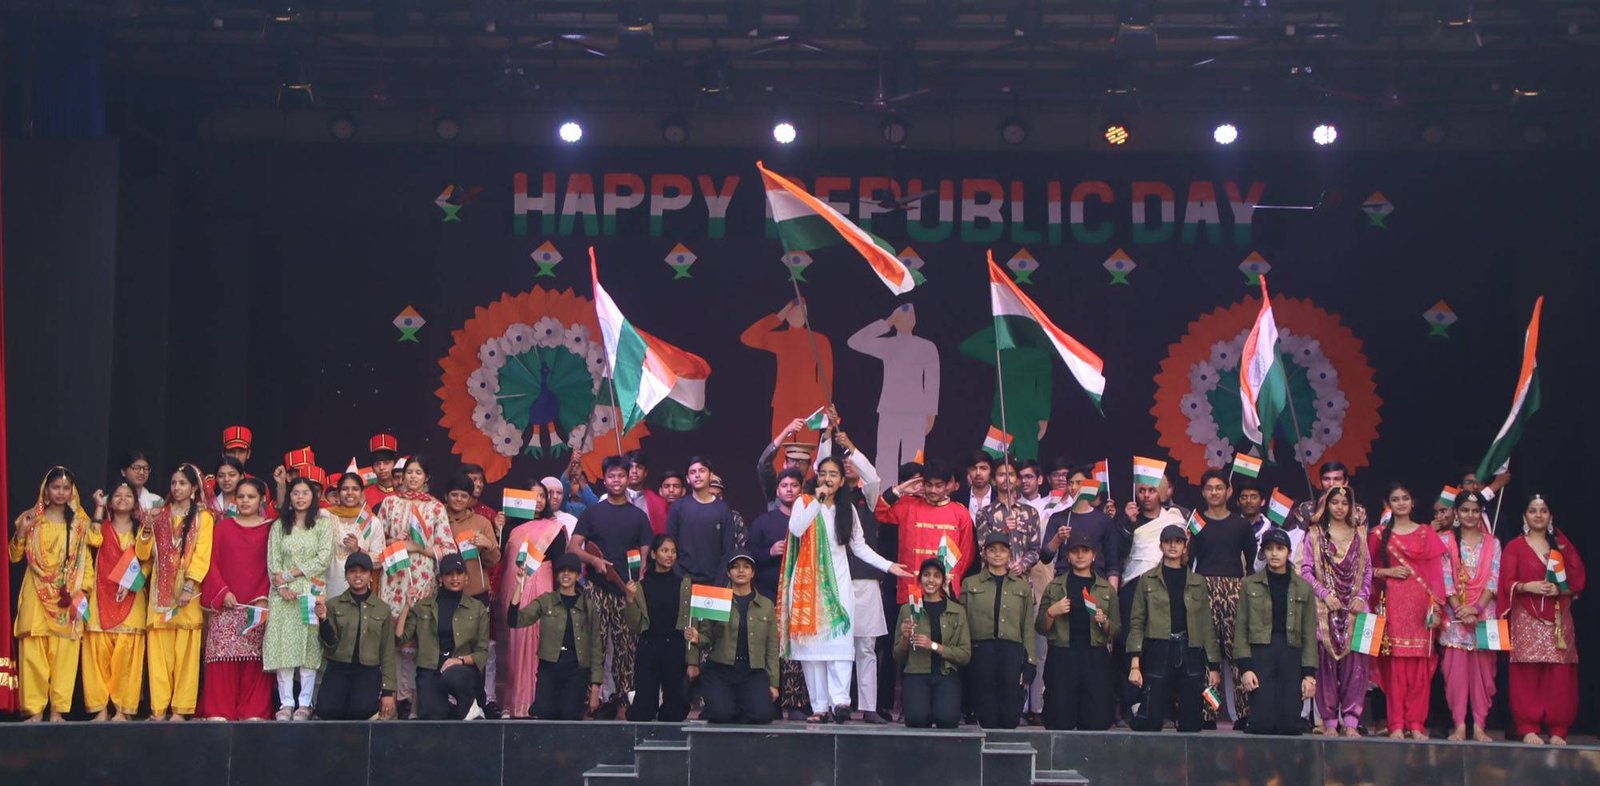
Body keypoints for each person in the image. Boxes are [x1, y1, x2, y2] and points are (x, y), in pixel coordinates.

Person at [784, 456, 911, 723]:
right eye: (823, 473)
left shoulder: (848, 510)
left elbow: (859, 547)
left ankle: (840, 702)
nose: (827, 479)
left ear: (842, 481)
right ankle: (820, 707)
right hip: (808, 584)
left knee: (839, 642)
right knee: (812, 649)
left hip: (839, 583)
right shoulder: (804, 502)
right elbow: (796, 528)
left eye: (833, 474)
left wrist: (888, 566)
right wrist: (817, 500)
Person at [569, 455, 655, 719]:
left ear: (628, 479)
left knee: (626, 648)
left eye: (621, 476)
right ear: (604, 480)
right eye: (611, 476)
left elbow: (645, 554)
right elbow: (573, 547)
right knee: (593, 643)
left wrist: (639, 578)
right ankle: (590, 699)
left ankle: (623, 703)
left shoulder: (638, 516)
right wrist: (594, 560)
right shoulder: (593, 512)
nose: (616, 480)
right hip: (596, 588)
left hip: (625, 591)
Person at [1497, 495, 1585, 745]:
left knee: (1559, 675)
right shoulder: (1515, 547)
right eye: (1533, 510)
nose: (1538, 515)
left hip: (1558, 618)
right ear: (1524, 516)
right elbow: (1505, 582)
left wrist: (1561, 589)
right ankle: (1528, 728)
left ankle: (1558, 729)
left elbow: (1578, 578)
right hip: (1526, 616)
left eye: (1543, 511)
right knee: (1526, 673)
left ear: (1550, 516)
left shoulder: (1561, 546)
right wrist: (1527, 586)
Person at [9, 467, 93, 722]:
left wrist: (83, 590)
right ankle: (34, 713)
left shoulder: (79, 524)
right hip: (36, 594)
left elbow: (86, 561)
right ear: (46, 490)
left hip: (68, 596)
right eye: (56, 487)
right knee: (33, 653)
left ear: (72, 491)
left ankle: (57, 712)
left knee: (65, 655)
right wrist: (21, 532)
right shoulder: (30, 519)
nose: (61, 492)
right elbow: (14, 556)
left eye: (66, 488)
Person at [375, 455, 456, 716]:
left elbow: (447, 548)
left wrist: (417, 547)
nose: (412, 477)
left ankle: (416, 702)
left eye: (418, 473)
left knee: (419, 642)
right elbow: (376, 541)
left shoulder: (436, 508)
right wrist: (394, 541)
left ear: (426, 477)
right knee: (393, 641)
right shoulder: (389, 503)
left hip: (421, 578)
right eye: (409, 472)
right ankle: (393, 698)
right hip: (394, 577)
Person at [1368, 482, 1448, 740]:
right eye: (1395, 499)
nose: (1401, 503)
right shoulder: (1379, 534)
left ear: (1413, 502)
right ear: (1388, 504)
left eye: (1405, 498)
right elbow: (1365, 572)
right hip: (1392, 607)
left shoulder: (1426, 533)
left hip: (1421, 608)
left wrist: (1437, 608)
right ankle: (1396, 725)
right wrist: (1388, 571)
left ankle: (1416, 724)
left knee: (1420, 670)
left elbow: (1436, 575)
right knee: (1396, 670)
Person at [1126, 525, 1221, 733]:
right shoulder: (1147, 579)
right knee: (1150, 722)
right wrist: (1135, 663)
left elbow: (1206, 624)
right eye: (1168, 542)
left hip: (1190, 647)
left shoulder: (1197, 581)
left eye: (1177, 542)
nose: (1172, 546)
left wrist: (1214, 666)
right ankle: (1140, 712)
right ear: (1161, 546)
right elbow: (1137, 621)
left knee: (1191, 724)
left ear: (1184, 546)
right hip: (1159, 646)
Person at [197, 477, 274, 721]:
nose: (245, 501)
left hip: (258, 604)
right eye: (241, 497)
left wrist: (263, 597)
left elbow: (274, 566)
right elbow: (211, 563)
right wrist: (222, 592)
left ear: (262, 500)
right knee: (223, 656)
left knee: (254, 659)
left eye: (251, 497)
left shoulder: (271, 530)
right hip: (227, 604)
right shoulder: (223, 528)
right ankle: (220, 709)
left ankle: (253, 709)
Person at [143, 463, 216, 721]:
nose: (176, 488)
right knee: (159, 656)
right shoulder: (158, 515)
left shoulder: (203, 518)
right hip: (160, 594)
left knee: (186, 657)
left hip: (188, 595)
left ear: (194, 487)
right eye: (173, 483)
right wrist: (145, 528)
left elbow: (202, 555)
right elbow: (143, 553)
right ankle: (158, 709)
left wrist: (189, 586)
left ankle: (180, 710)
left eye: (182, 483)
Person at [1300, 486, 1372, 737]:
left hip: (1355, 609)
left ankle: (1351, 722)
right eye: (1335, 502)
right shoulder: (1314, 535)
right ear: (1326, 505)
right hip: (1324, 609)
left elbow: (1368, 571)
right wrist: (1324, 594)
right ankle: (1330, 722)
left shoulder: (1360, 534)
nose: (1340, 507)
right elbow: (1306, 571)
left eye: (1344, 503)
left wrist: (1361, 597)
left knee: (1357, 668)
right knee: (1325, 667)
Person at [1189, 469, 1257, 723]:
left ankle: (1244, 713)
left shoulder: (1241, 524)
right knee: (1207, 654)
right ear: (1203, 492)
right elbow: (1188, 559)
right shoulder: (1196, 521)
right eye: (1209, 488)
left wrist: (1247, 589)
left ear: (1228, 491)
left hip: (1235, 589)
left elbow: (1252, 561)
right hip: (1203, 588)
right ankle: (1209, 713)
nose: (1214, 492)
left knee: (1238, 652)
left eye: (1219, 487)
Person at [1235, 528, 1318, 735]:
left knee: (1289, 725)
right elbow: (1241, 628)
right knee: (1262, 724)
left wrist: (1309, 675)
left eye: (1280, 548)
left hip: (1291, 651)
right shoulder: (1250, 584)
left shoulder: (1304, 587)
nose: (1274, 553)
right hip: (1261, 651)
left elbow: (1309, 633)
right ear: (1263, 552)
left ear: (1288, 552)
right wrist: (1245, 668)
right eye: (1269, 548)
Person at [263, 476, 335, 720]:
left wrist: (291, 574)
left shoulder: (322, 525)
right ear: (289, 497)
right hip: (282, 594)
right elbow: (273, 561)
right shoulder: (278, 526)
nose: (301, 497)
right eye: (296, 493)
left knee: (308, 648)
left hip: (311, 590)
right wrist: (281, 586)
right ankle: (286, 703)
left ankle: (305, 703)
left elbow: (323, 558)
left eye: (306, 492)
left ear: (313, 497)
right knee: (284, 647)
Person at [496, 482, 569, 718]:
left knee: (538, 641)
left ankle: (537, 702)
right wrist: (498, 530)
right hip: (514, 588)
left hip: (542, 588)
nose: (539, 501)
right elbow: (499, 558)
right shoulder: (511, 527)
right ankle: (513, 702)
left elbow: (560, 566)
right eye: (533, 496)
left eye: (542, 496)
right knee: (515, 643)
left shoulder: (554, 529)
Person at [847, 305, 941, 487]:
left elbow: (932, 382)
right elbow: (855, 341)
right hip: (889, 410)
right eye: (901, 318)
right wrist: (888, 321)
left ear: (915, 321)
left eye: (910, 317)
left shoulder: (926, 346)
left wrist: (931, 415)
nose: (906, 321)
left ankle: (912, 496)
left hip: (916, 412)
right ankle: (884, 498)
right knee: (885, 459)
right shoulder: (888, 345)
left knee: (914, 462)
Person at [1036, 530, 1119, 730]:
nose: (1080, 556)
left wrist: (1104, 622)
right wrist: (1052, 612)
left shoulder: (1106, 589)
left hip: (1094, 657)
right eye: (1075, 551)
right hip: (1062, 656)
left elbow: (1116, 630)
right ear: (1067, 555)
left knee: (1096, 720)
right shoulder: (1055, 586)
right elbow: (1040, 627)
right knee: (1059, 719)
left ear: (1094, 555)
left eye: (1085, 551)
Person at [687, 549, 781, 725]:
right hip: (721, 670)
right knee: (720, 715)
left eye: (746, 567)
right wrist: (697, 637)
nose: (741, 571)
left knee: (762, 715)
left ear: (753, 573)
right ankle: (724, 705)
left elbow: (771, 648)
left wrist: (773, 683)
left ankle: (737, 704)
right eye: (735, 567)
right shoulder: (717, 600)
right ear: (728, 572)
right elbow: (707, 637)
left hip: (752, 672)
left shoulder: (766, 605)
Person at [508, 553, 604, 721]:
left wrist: (595, 688)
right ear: (557, 575)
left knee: (569, 713)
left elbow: (596, 647)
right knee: (544, 712)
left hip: (576, 668)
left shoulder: (588, 606)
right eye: (562, 570)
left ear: (578, 576)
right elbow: (515, 621)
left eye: (571, 571)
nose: (566, 574)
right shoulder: (546, 600)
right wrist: (519, 586)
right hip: (550, 666)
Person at [83, 480, 149, 721]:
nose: (123, 499)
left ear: (135, 502)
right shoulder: (102, 527)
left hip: (132, 597)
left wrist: (132, 582)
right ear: (110, 501)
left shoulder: (142, 530)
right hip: (101, 595)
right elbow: (92, 540)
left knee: (127, 656)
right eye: (117, 495)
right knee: (97, 653)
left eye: (128, 495)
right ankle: (100, 709)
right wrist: (99, 508)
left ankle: (122, 710)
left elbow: (146, 559)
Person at [746, 467, 810, 718]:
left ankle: (797, 703)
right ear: (777, 490)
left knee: (799, 650)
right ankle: (770, 700)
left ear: (801, 490)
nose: (789, 490)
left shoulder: (810, 520)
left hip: (802, 596)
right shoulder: (764, 521)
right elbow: (749, 555)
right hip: (769, 594)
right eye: (784, 486)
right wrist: (769, 552)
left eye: (794, 485)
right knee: (771, 648)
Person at [1439, 491, 1500, 742]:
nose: (1470, 515)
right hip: (1455, 617)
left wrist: (1476, 609)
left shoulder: (1493, 543)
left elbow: (1494, 579)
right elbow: (1444, 578)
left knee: (1484, 676)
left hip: (1483, 615)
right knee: (1455, 675)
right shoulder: (1445, 541)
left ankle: (1479, 726)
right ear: (1456, 513)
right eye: (1465, 510)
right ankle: (1459, 726)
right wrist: (1460, 609)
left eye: (1475, 511)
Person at [397, 554, 490, 719]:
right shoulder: (423, 606)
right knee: (431, 714)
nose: (454, 578)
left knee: (452, 676)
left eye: (459, 573)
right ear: (440, 578)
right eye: (449, 574)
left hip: (461, 669)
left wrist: (459, 660)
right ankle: (456, 710)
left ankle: (470, 703)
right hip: (431, 668)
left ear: (466, 577)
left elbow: (482, 652)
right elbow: (399, 639)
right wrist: (407, 606)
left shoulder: (477, 608)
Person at [962, 532, 1037, 729]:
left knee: (1010, 717)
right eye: (992, 550)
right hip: (981, 650)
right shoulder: (970, 583)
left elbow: (1027, 626)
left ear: (1009, 554)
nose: (997, 554)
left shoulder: (1022, 587)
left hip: (1011, 650)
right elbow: (962, 622)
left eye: (1003, 550)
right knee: (987, 716)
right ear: (984, 553)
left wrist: (1030, 662)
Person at [875, 460, 976, 604]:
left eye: (938, 485)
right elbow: (880, 512)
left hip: (945, 589)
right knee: (912, 619)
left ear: (948, 485)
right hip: (912, 588)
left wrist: (951, 577)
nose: (933, 490)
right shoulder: (908, 506)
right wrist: (900, 489)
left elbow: (966, 554)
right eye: (929, 485)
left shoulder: (960, 513)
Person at [741, 298, 834, 449]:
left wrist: (824, 406)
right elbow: (748, 337)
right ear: (787, 315)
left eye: (803, 313)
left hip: (810, 404)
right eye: (795, 312)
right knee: (780, 447)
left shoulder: (819, 340)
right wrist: (778, 317)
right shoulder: (780, 338)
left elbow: (826, 376)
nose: (800, 316)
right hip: (784, 402)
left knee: (807, 449)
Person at [315, 552, 398, 720]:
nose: (358, 575)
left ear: (370, 576)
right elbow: (329, 643)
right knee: (326, 710)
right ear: (346, 576)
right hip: (338, 668)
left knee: (362, 710)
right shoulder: (333, 604)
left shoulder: (382, 609)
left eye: (363, 571)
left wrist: (388, 692)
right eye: (352, 571)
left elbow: (387, 651)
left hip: (368, 670)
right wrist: (323, 620)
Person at [895, 558, 970, 729]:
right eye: (926, 575)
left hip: (946, 674)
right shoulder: (908, 609)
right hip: (916, 674)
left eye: (936, 576)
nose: (931, 580)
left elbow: (965, 655)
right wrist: (905, 638)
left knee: (947, 719)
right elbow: (898, 657)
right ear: (920, 578)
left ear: (943, 581)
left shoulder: (957, 611)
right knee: (916, 719)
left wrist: (933, 646)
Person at [624, 534, 691, 722]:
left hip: (675, 646)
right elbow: (634, 625)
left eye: (673, 551)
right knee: (643, 712)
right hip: (649, 645)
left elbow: (690, 620)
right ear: (653, 554)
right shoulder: (640, 587)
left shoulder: (684, 585)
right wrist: (629, 599)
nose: (669, 555)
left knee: (674, 712)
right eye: (664, 550)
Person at [667, 457, 739, 583]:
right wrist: (679, 576)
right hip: (682, 580)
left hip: (715, 581)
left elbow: (728, 550)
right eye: (692, 472)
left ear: (711, 475)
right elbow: (669, 544)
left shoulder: (723, 509)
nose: (697, 475)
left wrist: (720, 581)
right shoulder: (678, 507)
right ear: (687, 479)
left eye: (702, 471)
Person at [325, 472, 386, 598]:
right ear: (338, 493)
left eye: (355, 489)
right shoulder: (325, 517)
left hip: (359, 589)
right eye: (345, 489)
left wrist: (358, 550)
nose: (350, 493)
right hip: (328, 587)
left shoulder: (371, 521)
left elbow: (380, 560)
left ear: (362, 493)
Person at [443, 474, 501, 602]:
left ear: (470, 499)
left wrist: (489, 546)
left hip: (476, 594)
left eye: (464, 496)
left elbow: (493, 561)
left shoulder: (482, 523)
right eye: (454, 495)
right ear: (446, 496)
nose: (459, 499)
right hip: (443, 592)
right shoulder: (437, 519)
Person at [756, 416, 813, 510]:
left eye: (802, 462)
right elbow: (764, 464)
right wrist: (786, 431)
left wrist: (828, 431)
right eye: (792, 461)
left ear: (809, 466)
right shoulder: (775, 486)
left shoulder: (812, 489)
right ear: (785, 464)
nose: (797, 465)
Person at [1293, 461, 1369, 530]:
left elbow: (1362, 538)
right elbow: (1298, 536)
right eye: (1326, 479)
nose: (1331, 484)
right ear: (1320, 481)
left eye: (1337, 479)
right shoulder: (1306, 508)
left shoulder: (1358, 511)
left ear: (1346, 482)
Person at [624, 452, 670, 535]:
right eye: (630, 467)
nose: (634, 471)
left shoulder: (659, 503)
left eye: (639, 467)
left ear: (645, 473)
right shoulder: (612, 498)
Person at [364, 433, 401, 511]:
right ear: (372, 468)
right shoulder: (364, 495)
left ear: (395, 464)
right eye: (377, 464)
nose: (382, 467)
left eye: (386, 463)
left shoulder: (404, 492)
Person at [954, 451, 994, 520]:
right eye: (973, 469)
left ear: (991, 471)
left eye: (983, 468)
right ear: (968, 471)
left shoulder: (999, 499)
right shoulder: (958, 500)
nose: (978, 473)